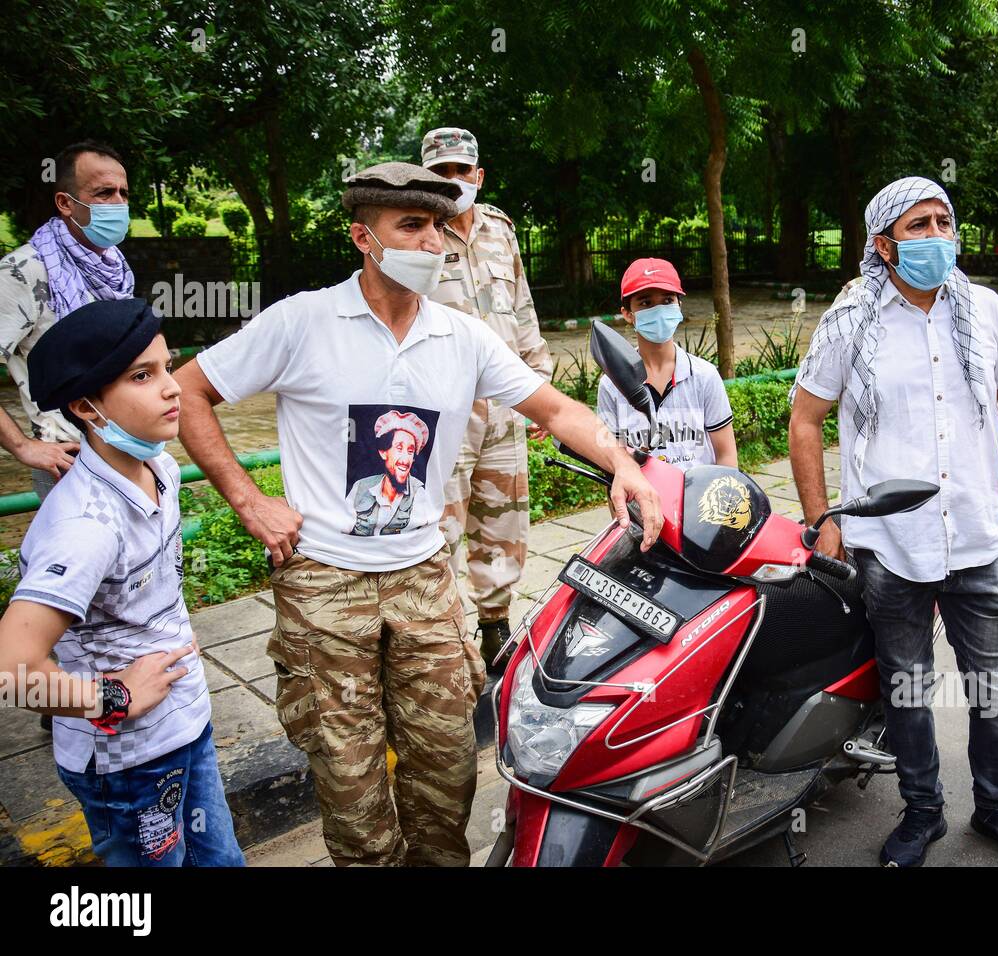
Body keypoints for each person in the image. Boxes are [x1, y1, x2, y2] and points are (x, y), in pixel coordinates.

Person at [172, 161, 662, 867]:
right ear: (363, 238)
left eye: (438, 226)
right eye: (411, 226)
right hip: (323, 585)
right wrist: (249, 501)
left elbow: (554, 408)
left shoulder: (460, 337)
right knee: (353, 790)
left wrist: (623, 463)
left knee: (448, 770)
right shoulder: (302, 322)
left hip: (424, 580)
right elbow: (187, 392)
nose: (433, 241)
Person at [788, 177, 998, 868]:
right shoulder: (852, 318)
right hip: (890, 544)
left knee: (996, 690)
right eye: (919, 226)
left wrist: (980, 482)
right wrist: (823, 519)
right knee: (907, 688)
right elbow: (805, 420)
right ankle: (923, 811)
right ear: (884, 244)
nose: (938, 237)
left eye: (944, 222)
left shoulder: (985, 309)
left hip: (974, 537)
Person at [0, 297, 243, 867]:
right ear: (87, 407)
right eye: (143, 376)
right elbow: (11, 674)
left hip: (185, 723)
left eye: (168, 365)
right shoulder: (83, 527)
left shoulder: (158, 467)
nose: (173, 387)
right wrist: (114, 696)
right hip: (128, 761)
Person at [422, 127, 554, 672]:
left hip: (504, 406)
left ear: (478, 176)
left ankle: (495, 632)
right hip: (442, 410)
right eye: (441, 173)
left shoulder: (501, 229)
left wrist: (539, 381)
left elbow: (521, 306)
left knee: (504, 522)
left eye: (461, 171)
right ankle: (435, 643)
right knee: (438, 528)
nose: (452, 182)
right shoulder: (415, 234)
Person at [0, 142, 135, 501]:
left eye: (123, 192)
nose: (119, 203)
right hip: (69, 457)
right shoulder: (24, 271)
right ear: (65, 203)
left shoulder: (115, 267)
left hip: (131, 445)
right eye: (104, 193)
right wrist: (23, 446)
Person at [596, 258, 737, 470]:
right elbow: (613, 468)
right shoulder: (612, 385)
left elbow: (726, 456)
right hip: (642, 502)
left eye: (667, 300)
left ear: (679, 306)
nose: (659, 310)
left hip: (700, 500)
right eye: (645, 302)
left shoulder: (704, 375)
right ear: (627, 314)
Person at [347, 410, 430, 536]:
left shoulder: (418, 493)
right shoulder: (361, 486)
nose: (405, 460)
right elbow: (343, 526)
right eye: (399, 448)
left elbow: (416, 538)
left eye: (410, 451)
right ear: (383, 452)